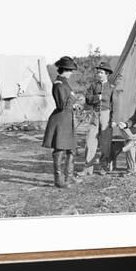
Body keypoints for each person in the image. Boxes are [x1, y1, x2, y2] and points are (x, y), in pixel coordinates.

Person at [42, 56, 82, 188]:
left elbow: (67, 103)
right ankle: (59, 180)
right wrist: (73, 99)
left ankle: (69, 177)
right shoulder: (58, 83)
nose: (71, 73)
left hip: (67, 118)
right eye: (70, 70)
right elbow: (61, 105)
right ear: (64, 69)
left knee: (71, 149)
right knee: (59, 150)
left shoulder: (64, 82)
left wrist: (74, 104)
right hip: (60, 119)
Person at [78, 61, 115, 176]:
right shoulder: (93, 86)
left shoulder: (112, 87)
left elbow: (115, 105)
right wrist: (97, 97)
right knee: (90, 141)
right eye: (98, 72)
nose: (99, 74)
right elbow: (88, 99)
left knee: (105, 142)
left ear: (107, 74)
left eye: (101, 72)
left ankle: (103, 166)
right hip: (94, 114)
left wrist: (113, 119)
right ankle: (88, 168)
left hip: (106, 114)